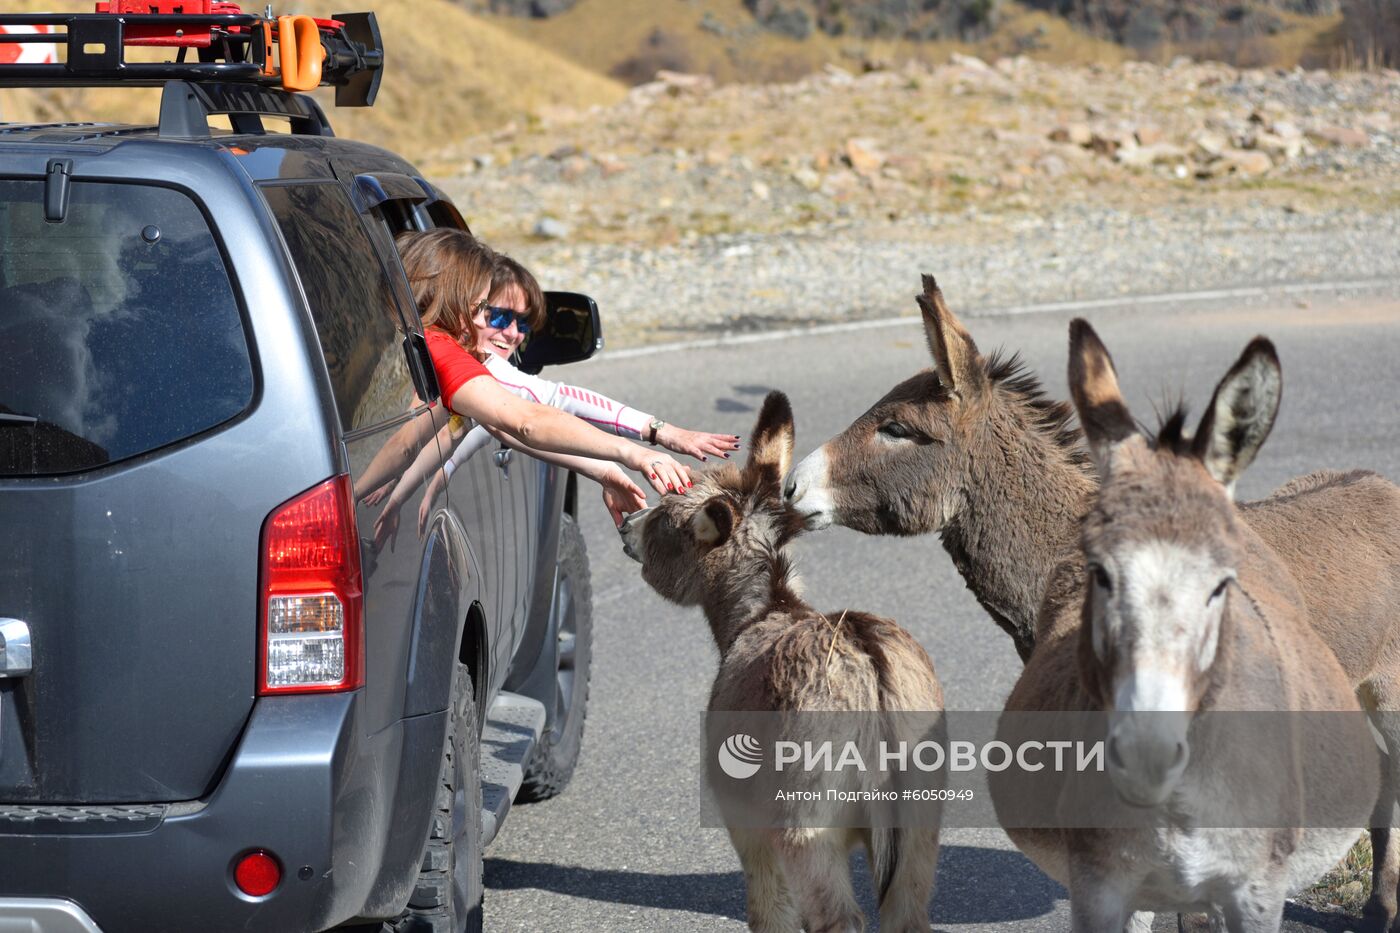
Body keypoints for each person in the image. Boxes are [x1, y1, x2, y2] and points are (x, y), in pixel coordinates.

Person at [355, 229, 695, 549]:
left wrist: (607, 467)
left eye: (523, 323)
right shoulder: (443, 350)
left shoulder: (385, 338)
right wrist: (635, 450)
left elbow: (472, 429)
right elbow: (527, 420)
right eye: (480, 310)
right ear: (446, 294)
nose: (480, 323)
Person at [402, 252, 740, 532]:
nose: (512, 333)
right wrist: (653, 437)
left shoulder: (439, 354)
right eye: (496, 314)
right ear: (456, 303)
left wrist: (606, 470)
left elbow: (507, 426)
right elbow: (536, 414)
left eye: (524, 323)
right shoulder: (465, 359)